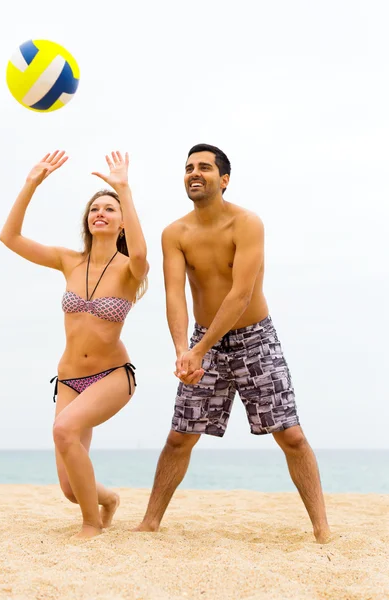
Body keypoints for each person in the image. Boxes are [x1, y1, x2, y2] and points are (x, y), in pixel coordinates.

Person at [135, 143, 330, 543]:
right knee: (179, 436)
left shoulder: (247, 223)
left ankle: (322, 529)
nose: (194, 173)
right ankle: (150, 521)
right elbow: (174, 295)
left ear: (224, 180)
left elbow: (241, 294)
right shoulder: (174, 233)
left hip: (255, 339)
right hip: (202, 344)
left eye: (204, 167)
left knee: (290, 435)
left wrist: (198, 350)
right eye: (189, 167)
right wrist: (181, 352)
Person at [0, 150, 148, 539]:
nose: (101, 212)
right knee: (69, 488)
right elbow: (9, 237)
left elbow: (143, 253)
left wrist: (124, 190)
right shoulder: (68, 261)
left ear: (120, 224)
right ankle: (108, 500)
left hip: (113, 376)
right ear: (87, 220)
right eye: (95, 208)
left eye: (110, 209)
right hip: (68, 380)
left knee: (63, 430)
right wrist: (31, 183)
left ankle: (91, 525)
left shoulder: (131, 271)